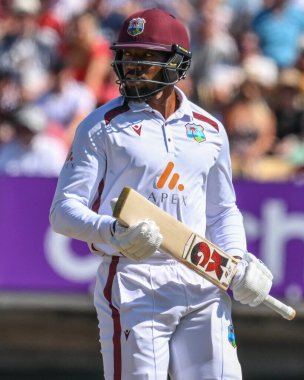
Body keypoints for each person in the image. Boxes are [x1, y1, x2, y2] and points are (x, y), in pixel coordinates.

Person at [50, 8, 273, 380]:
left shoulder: (211, 129)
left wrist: (236, 262)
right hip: (134, 280)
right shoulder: (100, 126)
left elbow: (222, 210)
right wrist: (114, 232)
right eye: (127, 56)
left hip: (202, 278)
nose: (132, 66)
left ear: (176, 63)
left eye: (146, 58)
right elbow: (62, 211)